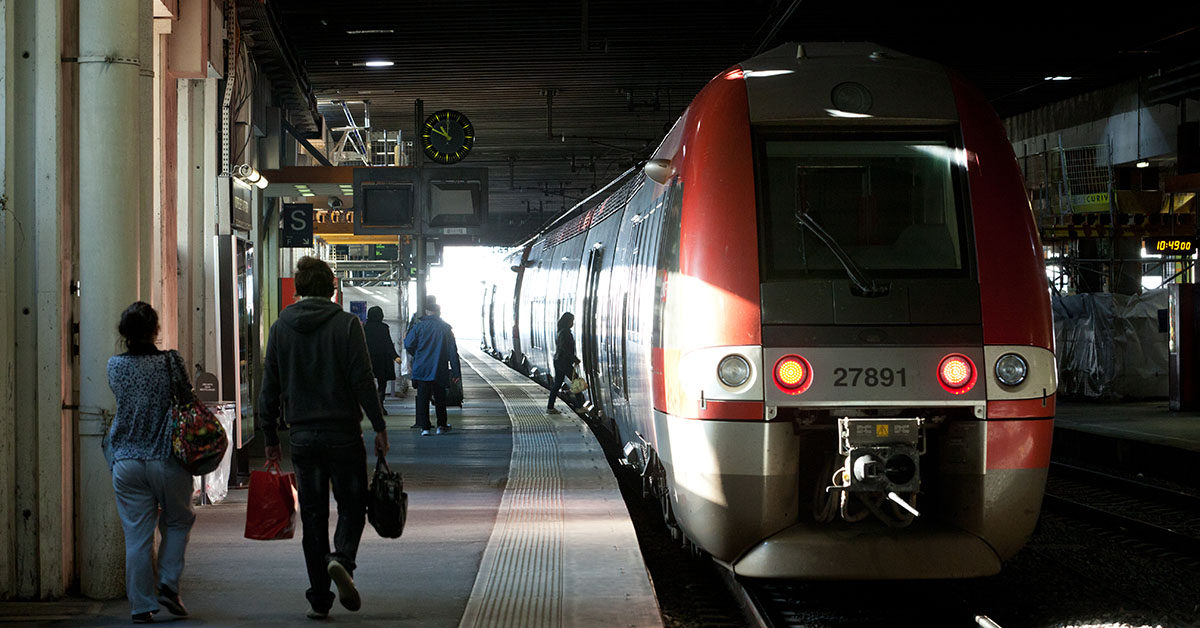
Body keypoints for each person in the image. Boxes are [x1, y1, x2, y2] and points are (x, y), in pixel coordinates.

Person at [258, 256, 390, 620]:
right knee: (352, 505)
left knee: (313, 517)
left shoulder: (281, 328)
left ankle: (319, 598)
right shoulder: (347, 325)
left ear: (299, 288)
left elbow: (269, 385)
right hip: (342, 434)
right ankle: (342, 559)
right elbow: (363, 381)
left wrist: (269, 433)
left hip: (302, 436)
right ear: (331, 288)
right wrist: (379, 426)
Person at [105, 301, 194, 624]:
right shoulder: (170, 361)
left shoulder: (114, 365)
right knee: (178, 521)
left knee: (137, 536)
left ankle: (141, 605)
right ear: (155, 330)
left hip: (126, 460)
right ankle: (168, 584)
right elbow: (186, 399)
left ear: (123, 333)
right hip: (166, 457)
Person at [404, 301, 462, 436]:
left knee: (423, 397)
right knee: (440, 398)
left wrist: (417, 355)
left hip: (422, 369)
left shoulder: (419, 327)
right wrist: (456, 372)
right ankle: (441, 426)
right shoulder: (446, 328)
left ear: (426, 312)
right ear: (439, 312)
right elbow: (453, 352)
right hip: (439, 369)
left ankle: (425, 428)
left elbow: (408, 344)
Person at [363, 306, 403, 414]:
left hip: (367, 359)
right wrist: (395, 356)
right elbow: (388, 343)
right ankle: (380, 405)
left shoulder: (364, 327)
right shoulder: (384, 327)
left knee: (368, 383)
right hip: (382, 360)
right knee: (382, 383)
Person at [547, 312, 580, 414]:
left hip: (559, 361)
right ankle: (579, 407)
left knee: (557, 385)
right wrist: (574, 358)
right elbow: (564, 348)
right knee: (577, 382)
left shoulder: (561, 331)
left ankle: (550, 407)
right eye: (571, 321)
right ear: (567, 321)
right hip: (563, 362)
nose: (572, 323)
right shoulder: (565, 333)